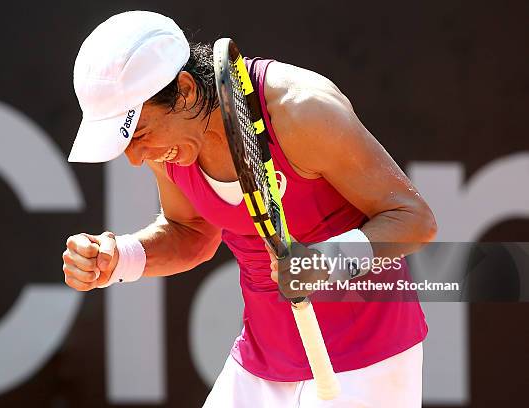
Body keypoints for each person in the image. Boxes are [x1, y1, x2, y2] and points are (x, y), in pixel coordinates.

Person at [62, 10, 437, 407]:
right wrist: (120, 258)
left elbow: (414, 220)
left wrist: (326, 261)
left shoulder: (301, 111)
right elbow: (190, 234)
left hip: (368, 361)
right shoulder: (166, 145)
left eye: (138, 133)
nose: (136, 158)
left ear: (186, 89)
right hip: (262, 360)